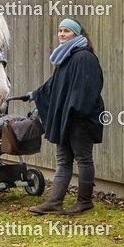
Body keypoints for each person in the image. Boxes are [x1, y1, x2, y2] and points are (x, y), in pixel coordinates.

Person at [25, 19, 105, 215]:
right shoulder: (65, 57)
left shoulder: (85, 58)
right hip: (65, 120)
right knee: (63, 161)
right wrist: (34, 94)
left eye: (66, 31)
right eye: (60, 30)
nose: (61, 34)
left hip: (80, 120)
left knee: (83, 158)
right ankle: (54, 202)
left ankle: (85, 202)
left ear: (77, 35)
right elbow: (53, 86)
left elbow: (88, 89)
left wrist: (74, 112)